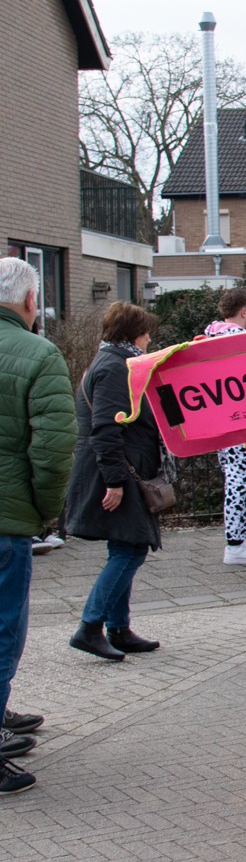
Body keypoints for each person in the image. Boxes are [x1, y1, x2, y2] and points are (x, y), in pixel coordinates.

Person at [0, 257, 77, 793]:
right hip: (6, 521)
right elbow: (52, 449)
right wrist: (46, 513)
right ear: (31, 301)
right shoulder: (37, 354)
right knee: (4, 631)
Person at [65, 300, 164, 662]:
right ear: (133, 333)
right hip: (119, 471)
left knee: (125, 544)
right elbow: (105, 429)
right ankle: (90, 626)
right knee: (130, 549)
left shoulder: (109, 361)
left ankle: (119, 629)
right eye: (146, 332)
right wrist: (115, 481)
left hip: (117, 468)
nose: (149, 339)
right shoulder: (114, 368)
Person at [207, 288, 246, 564]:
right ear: (244, 311)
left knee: (239, 476)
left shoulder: (211, 336)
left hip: (223, 419)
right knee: (239, 480)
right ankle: (235, 544)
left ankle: (244, 535)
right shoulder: (238, 339)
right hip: (242, 419)